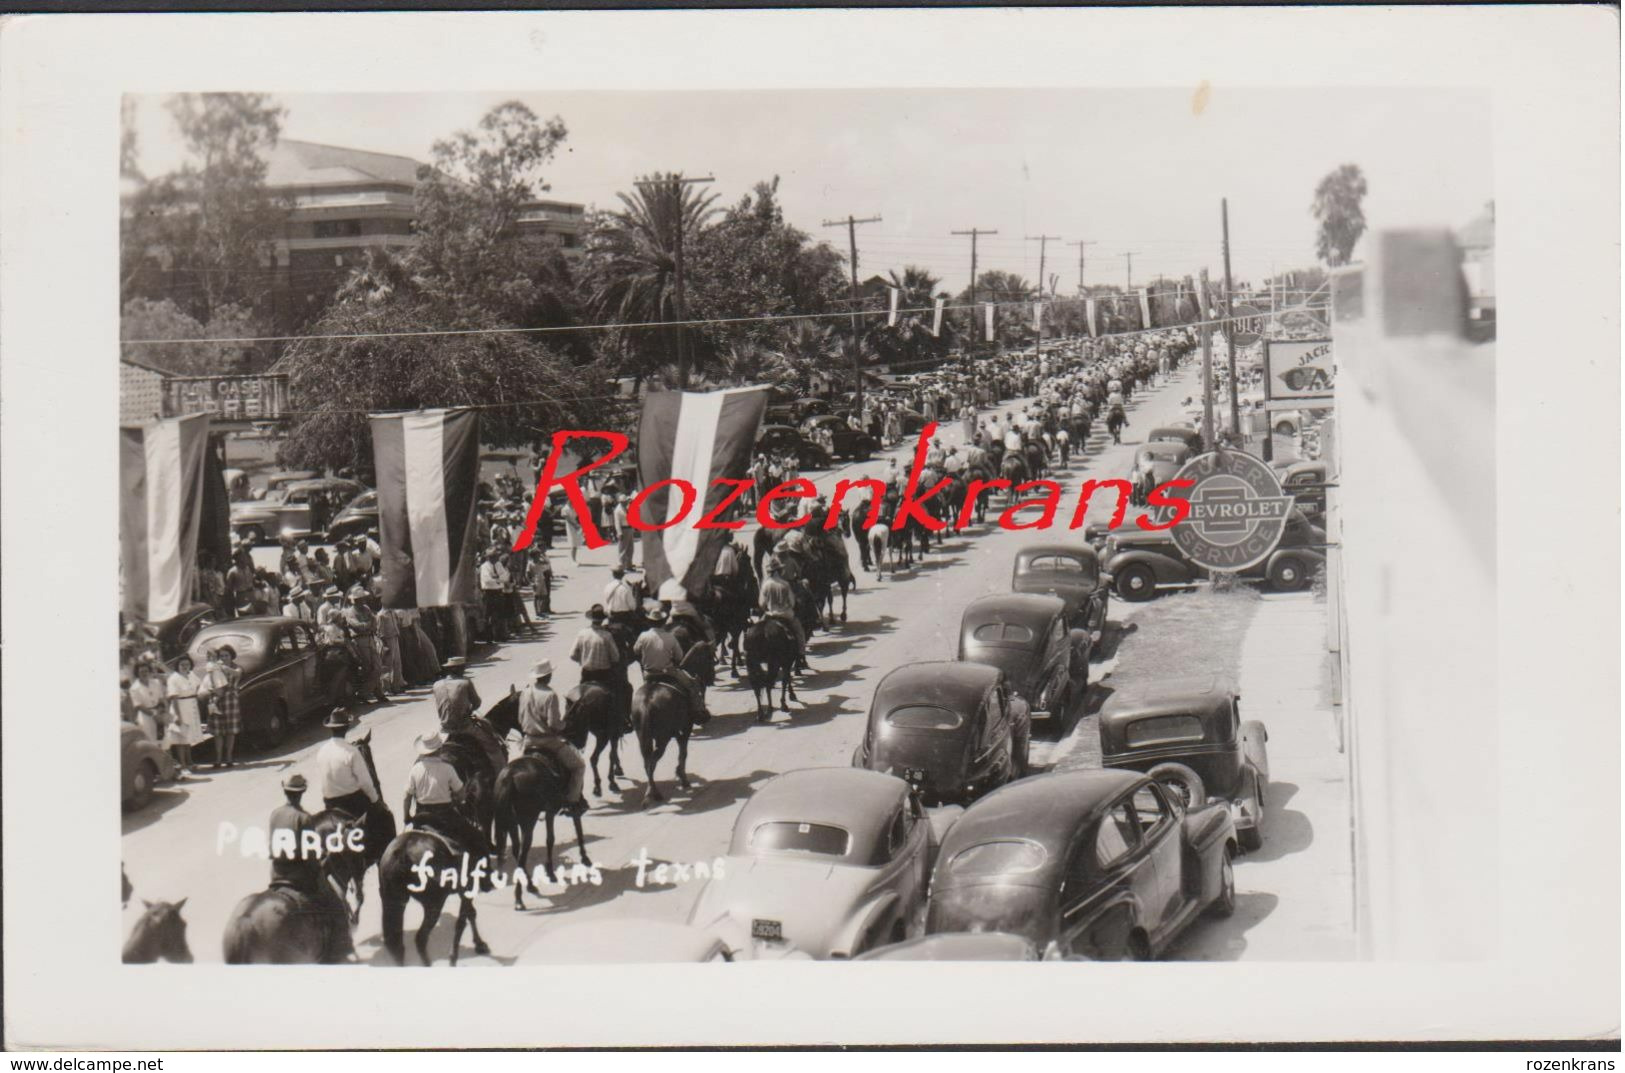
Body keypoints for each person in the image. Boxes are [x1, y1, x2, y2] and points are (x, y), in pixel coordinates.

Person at [268, 773, 354, 962]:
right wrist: (320, 863)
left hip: (276, 872)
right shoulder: (304, 818)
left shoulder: (275, 813)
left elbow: (271, 847)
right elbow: (310, 856)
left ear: (285, 791)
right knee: (337, 905)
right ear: (302, 793)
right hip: (298, 876)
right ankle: (341, 950)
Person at [404, 732, 492, 866]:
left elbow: (407, 797)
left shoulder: (415, 769)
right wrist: (459, 801)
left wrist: (407, 817)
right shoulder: (447, 768)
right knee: (478, 837)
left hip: (421, 816)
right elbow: (461, 793)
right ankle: (485, 878)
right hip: (445, 815)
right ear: (439, 749)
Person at [516, 660, 588, 812]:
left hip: (528, 741)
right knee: (579, 766)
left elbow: (520, 718)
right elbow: (553, 724)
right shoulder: (550, 695)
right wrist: (565, 725)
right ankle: (572, 801)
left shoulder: (525, 692)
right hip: (549, 742)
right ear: (548, 676)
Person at [633, 607, 709, 726]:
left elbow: (636, 651)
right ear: (663, 622)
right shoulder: (670, 637)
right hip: (668, 672)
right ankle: (698, 711)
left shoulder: (643, 636)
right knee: (692, 684)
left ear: (650, 622)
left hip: (649, 674)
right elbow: (679, 656)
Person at [197, 644, 242, 768]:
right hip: (216, 699)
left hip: (230, 700)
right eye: (221, 656)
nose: (224, 658)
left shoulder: (236, 668)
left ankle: (228, 757)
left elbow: (237, 674)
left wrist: (223, 667)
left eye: (226, 655)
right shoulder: (214, 668)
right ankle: (218, 758)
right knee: (218, 732)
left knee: (230, 731)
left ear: (231, 656)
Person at [758, 560, 808, 671]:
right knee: (800, 632)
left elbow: (761, 603)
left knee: (757, 629)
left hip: (770, 615)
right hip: (786, 615)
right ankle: (801, 654)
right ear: (778, 571)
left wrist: (768, 608)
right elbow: (792, 602)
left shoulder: (765, 585)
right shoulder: (785, 584)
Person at [164, 654, 209, 776]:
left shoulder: (191, 675)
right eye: (182, 665)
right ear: (177, 666)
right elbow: (173, 698)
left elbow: (199, 686)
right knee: (181, 739)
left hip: (191, 707)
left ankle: (190, 762)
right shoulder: (174, 678)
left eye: (187, 664)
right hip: (180, 707)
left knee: (188, 738)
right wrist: (177, 716)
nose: (184, 667)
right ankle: (183, 765)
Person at [341, 585, 385, 704]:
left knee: (378, 666)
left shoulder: (366, 608)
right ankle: (376, 693)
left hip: (369, 638)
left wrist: (368, 624)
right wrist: (368, 624)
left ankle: (366, 693)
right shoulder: (350, 612)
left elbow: (374, 622)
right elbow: (358, 626)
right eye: (360, 599)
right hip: (360, 640)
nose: (363, 600)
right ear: (355, 600)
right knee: (368, 668)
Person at [569, 604, 621, 692]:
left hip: (586, 674)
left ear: (591, 619)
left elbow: (572, 655)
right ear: (602, 620)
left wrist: (583, 660)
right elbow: (615, 658)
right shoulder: (607, 636)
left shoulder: (582, 633)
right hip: (603, 675)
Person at [431, 656, 481, 733]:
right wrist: (469, 711)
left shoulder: (436, 685)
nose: (464, 670)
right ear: (455, 669)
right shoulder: (465, 682)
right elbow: (477, 703)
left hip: (445, 725)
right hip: (463, 725)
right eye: (462, 667)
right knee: (488, 738)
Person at [128, 662, 166, 742]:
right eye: (141, 672)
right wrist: (154, 715)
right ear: (137, 673)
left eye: (146, 671)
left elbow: (161, 699)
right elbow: (139, 706)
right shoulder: (134, 688)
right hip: (145, 717)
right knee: (151, 741)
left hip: (159, 714)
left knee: (164, 741)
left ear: (149, 671)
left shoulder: (156, 682)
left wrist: (161, 712)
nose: (144, 673)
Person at [477, 549, 509, 644]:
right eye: (493, 556)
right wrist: (499, 579)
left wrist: (496, 578)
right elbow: (487, 580)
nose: (496, 558)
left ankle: (499, 635)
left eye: (496, 556)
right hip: (489, 593)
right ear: (488, 557)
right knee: (488, 616)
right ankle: (488, 637)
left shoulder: (498, 565)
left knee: (500, 615)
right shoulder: (484, 567)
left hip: (498, 592)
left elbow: (505, 577)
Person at [602, 566, 640, 631]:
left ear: (613, 575)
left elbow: (605, 601)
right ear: (623, 575)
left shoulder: (607, 586)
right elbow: (632, 606)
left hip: (611, 616)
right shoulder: (626, 588)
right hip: (624, 617)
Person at [614, 495, 636, 572]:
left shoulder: (627, 507)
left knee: (630, 548)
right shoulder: (618, 510)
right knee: (622, 549)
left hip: (629, 528)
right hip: (623, 530)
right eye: (624, 502)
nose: (625, 503)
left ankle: (629, 565)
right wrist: (619, 533)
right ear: (620, 502)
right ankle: (621, 565)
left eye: (626, 502)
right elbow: (617, 523)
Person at [530, 549, 553, 616]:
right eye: (537, 555)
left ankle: (540, 610)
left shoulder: (540, 563)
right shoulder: (531, 564)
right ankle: (537, 612)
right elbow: (528, 574)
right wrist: (532, 582)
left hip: (542, 580)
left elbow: (547, 564)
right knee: (536, 597)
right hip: (536, 581)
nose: (539, 556)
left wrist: (543, 558)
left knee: (543, 596)